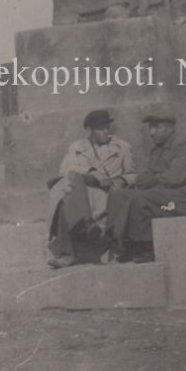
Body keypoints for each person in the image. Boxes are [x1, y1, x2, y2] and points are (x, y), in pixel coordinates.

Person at [106, 106, 186, 263]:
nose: (151, 132)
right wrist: (145, 179)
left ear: (170, 128)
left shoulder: (185, 143)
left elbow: (175, 178)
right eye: (150, 128)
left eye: (156, 127)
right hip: (166, 195)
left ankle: (146, 247)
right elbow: (147, 175)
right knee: (118, 194)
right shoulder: (157, 149)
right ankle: (114, 240)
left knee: (140, 199)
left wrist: (149, 180)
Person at [47, 109, 137, 269]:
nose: (106, 131)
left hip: (105, 195)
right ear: (90, 130)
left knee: (68, 198)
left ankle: (68, 253)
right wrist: (90, 171)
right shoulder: (76, 147)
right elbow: (64, 170)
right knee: (70, 188)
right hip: (82, 194)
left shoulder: (122, 147)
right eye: (101, 128)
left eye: (107, 127)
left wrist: (122, 180)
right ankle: (86, 224)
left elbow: (133, 174)